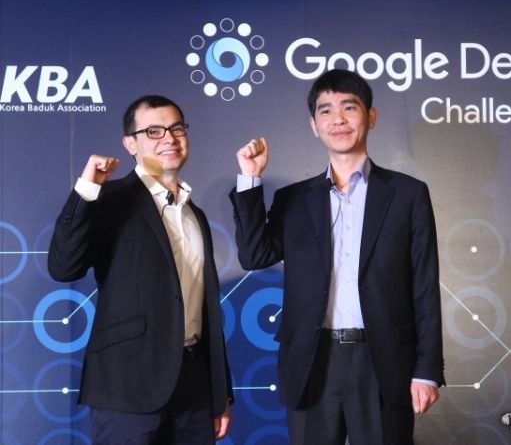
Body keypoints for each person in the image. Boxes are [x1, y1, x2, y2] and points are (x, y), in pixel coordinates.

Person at [230, 69, 444, 444]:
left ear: (370, 117)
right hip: (312, 362)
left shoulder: (408, 194)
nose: (338, 119)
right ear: (314, 126)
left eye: (349, 107)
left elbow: (424, 286)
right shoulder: (293, 200)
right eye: (325, 111)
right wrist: (250, 179)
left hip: (383, 361)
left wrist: (426, 369)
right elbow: (254, 255)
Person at [48, 95, 233, 444]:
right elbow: (63, 266)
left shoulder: (194, 214)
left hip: (194, 388)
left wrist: (219, 391)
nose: (169, 138)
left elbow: (206, 309)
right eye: (154, 131)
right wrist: (86, 190)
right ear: (130, 144)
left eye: (176, 128)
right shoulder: (107, 200)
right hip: (127, 388)